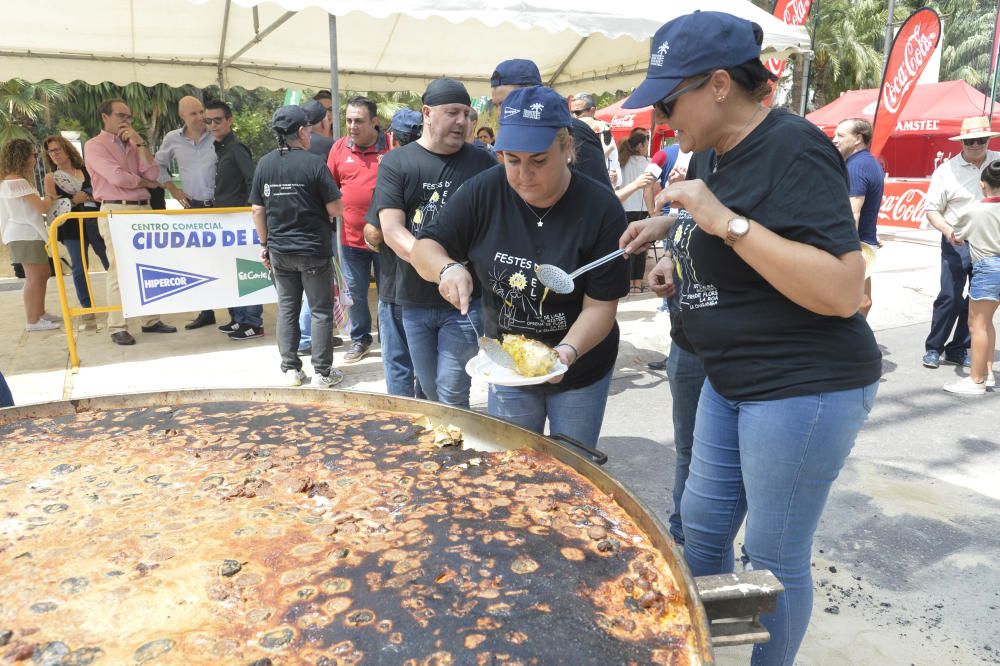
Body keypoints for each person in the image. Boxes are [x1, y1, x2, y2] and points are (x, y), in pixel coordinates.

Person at [618, 12, 881, 665]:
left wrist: (723, 222)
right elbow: (731, 253)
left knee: (773, 556)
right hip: (727, 376)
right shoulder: (707, 152)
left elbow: (846, 288)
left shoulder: (796, 148)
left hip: (801, 384)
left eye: (668, 98)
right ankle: (703, 651)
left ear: (715, 85)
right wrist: (672, 246)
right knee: (702, 529)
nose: (661, 112)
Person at [412, 86, 627, 446]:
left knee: (571, 467)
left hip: (581, 361)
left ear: (567, 148)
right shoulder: (485, 191)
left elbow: (601, 306)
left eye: (538, 160)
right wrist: (448, 269)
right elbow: (424, 248)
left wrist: (566, 353)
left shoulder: (600, 208)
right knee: (512, 464)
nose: (524, 174)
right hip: (507, 364)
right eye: (512, 160)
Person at [371, 78, 496, 407]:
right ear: (427, 113)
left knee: (452, 390)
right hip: (413, 300)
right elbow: (392, 230)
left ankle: (456, 454)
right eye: (452, 112)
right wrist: (441, 267)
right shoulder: (397, 163)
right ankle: (441, 448)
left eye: (467, 114)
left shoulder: (483, 163)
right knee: (428, 390)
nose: (462, 121)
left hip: (464, 304)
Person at [250, 105, 344, 387]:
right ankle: (322, 373)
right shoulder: (314, 163)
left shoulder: (265, 164)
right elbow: (336, 207)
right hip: (313, 248)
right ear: (302, 131)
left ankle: (291, 369)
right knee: (320, 310)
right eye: (309, 130)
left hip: (279, 250)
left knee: (288, 308)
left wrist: (264, 244)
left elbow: (257, 209)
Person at [84, 98, 171, 346]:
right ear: (105, 117)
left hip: (143, 209)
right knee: (119, 270)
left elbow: (153, 173)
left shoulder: (134, 144)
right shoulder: (94, 146)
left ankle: (150, 320)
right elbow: (117, 178)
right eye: (122, 116)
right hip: (116, 209)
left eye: (129, 117)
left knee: (148, 266)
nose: (127, 121)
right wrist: (145, 182)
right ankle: (117, 325)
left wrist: (140, 143)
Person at [922, 116, 1000, 369]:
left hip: (990, 242)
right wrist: (946, 231)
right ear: (962, 142)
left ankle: (959, 348)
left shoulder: (997, 162)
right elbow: (932, 209)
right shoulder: (946, 170)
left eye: (981, 140)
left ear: (988, 140)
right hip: (957, 240)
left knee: (978, 300)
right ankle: (934, 347)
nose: (976, 145)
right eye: (970, 140)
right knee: (950, 296)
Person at [327, 95, 390, 363]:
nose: (352, 126)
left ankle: (389, 340)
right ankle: (360, 339)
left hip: (387, 238)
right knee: (356, 294)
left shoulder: (392, 146)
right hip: (351, 240)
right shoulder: (339, 148)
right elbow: (329, 186)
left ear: (374, 122)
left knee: (388, 293)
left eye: (359, 121)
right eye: (349, 120)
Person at [369, 108, 425, 398]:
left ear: (391, 139)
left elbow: (375, 231)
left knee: (397, 359)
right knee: (427, 365)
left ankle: (402, 420)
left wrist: (371, 238)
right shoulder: (440, 167)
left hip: (395, 285)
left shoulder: (391, 169)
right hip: (434, 285)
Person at [489, 59, 611, 189]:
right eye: (496, 105)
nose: (500, 113)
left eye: (506, 103)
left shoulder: (573, 130)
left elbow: (599, 192)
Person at [155, 95, 218, 330]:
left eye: (201, 111)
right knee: (199, 263)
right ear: (182, 116)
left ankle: (236, 312)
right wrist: (173, 189)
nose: (201, 117)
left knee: (224, 259)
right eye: (194, 113)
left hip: (222, 206)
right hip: (194, 207)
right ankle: (206, 311)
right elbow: (158, 165)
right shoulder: (173, 139)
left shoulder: (216, 131)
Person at [204, 100, 264, 340]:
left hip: (239, 220)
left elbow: (252, 180)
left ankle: (253, 322)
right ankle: (239, 319)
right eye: (208, 121)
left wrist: (245, 211)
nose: (212, 125)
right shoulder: (220, 147)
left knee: (247, 272)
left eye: (217, 120)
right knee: (232, 272)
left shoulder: (236, 147)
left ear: (229, 120)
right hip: (226, 221)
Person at [943, 160, 1000, 395]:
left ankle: (976, 379)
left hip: (987, 267)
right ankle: (986, 374)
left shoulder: (974, 210)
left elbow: (956, 236)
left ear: (983, 185)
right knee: (987, 323)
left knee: (977, 325)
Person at [41, 135, 108, 318]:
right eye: (50, 151)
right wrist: (72, 199)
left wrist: (86, 196)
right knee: (79, 266)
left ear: (67, 150)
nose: (53, 154)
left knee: (108, 259)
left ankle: (122, 296)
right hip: (70, 225)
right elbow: (52, 206)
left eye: (57, 149)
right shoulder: (50, 178)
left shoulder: (86, 170)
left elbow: (103, 192)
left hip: (94, 220)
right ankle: (86, 306)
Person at [1, 139, 60, 332]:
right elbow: (42, 207)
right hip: (24, 234)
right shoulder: (16, 181)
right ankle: (33, 320)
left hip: (27, 233)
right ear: (23, 156)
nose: (36, 158)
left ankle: (39, 313)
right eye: (33, 154)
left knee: (42, 274)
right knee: (35, 277)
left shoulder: (12, 180)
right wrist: (51, 195)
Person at [833, 118, 884, 318]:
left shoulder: (855, 166)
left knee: (854, 301)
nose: (835, 140)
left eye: (840, 135)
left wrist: (848, 250)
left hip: (856, 245)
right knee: (862, 299)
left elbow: (853, 211)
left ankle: (853, 344)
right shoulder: (868, 162)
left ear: (858, 139)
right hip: (863, 242)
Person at [616, 128, 658, 294]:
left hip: (621, 209)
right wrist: (652, 213)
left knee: (624, 248)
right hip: (639, 211)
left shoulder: (620, 162)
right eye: (646, 143)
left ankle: (624, 284)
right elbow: (649, 191)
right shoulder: (648, 164)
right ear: (641, 145)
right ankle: (636, 285)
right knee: (639, 249)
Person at [570, 92, 620, 185]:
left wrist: (616, 178)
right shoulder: (570, 134)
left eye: (577, 112)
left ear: (592, 111)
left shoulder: (604, 131)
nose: (574, 117)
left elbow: (615, 166)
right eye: (571, 113)